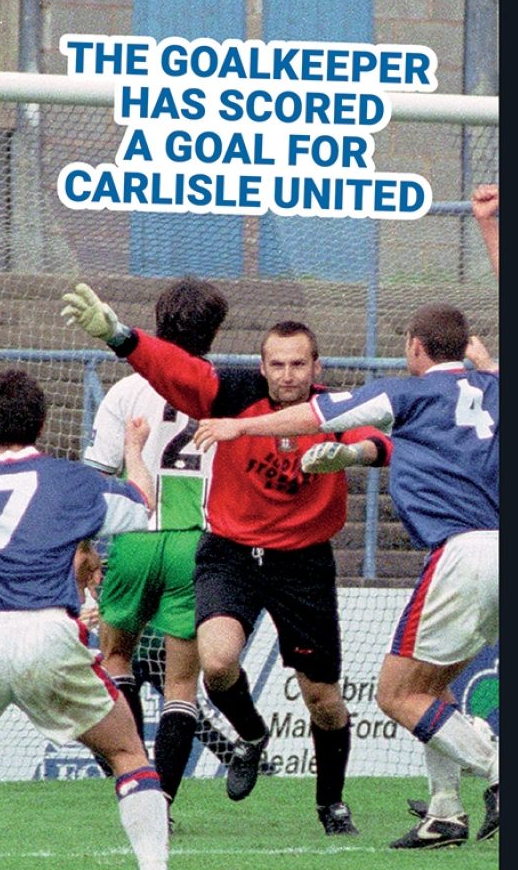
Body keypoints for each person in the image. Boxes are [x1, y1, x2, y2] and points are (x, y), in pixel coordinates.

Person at [62, 282, 388, 835]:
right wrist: (120, 336)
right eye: (277, 364)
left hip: (303, 564)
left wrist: (352, 452)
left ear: (316, 366)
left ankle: (330, 803)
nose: (288, 374)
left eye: (298, 365)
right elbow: (179, 372)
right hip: (229, 552)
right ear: (261, 365)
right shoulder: (234, 392)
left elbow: (382, 442)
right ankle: (253, 737)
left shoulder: (332, 409)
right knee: (215, 664)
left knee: (324, 701)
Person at [197, 303, 500, 848]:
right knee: (432, 688)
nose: (288, 374)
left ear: (414, 345)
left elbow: (317, 420)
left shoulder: (408, 393)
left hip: (459, 553)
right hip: (512, 551)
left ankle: (501, 769)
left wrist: (238, 426)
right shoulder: (494, 390)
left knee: (396, 694)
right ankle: (446, 813)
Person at [0, 369, 181, 870]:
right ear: (44, 423)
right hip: (50, 633)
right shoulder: (68, 480)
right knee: (129, 752)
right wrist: (135, 449)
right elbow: (141, 503)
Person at [84, 303, 221, 808]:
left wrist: (84, 548)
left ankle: (133, 779)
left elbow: (98, 473)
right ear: (214, 333)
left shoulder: (125, 390)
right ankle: (160, 802)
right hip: (196, 542)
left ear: (158, 325)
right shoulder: (218, 387)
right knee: (181, 684)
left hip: (135, 538)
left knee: (116, 657)